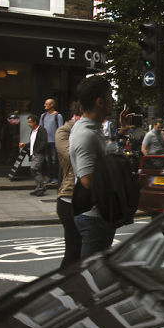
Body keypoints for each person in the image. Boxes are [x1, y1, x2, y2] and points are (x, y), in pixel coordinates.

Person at [70, 76, 117, 259]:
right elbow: (87, 180)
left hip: (99, 216)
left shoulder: (93, 128)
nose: (112, 100)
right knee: (91, 275)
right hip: (94, 218)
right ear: (99, 101)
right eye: (110, 96)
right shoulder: (85, 134)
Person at [56, 102, 82, 268]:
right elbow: (74, 158)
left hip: (88, 200)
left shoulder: (94, 131)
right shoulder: (64, 131)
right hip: (69, 197)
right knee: (73, 253)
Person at [19, 114, 48, 196]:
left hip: (39, 154)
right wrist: (24, 145)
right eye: (28, 122)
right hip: (33, 154)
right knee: (34, 170)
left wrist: (37, 151)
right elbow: (32, 143)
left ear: (35, 122)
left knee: (34, 168)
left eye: (30, 122)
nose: (28, 124)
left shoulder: (41, 130)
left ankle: (41, 187)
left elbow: (43, 142)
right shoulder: (32, 131)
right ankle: (39, 187)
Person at [39, 98, 63, 186]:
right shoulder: (43, 116)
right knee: (47, 160)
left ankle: (55, 177)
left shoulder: (58, 116)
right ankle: (48, 176)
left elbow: (60, 129)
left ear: (52, 105)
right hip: (46, 141)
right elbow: (40, 128)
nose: (44, 105)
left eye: (46, 104)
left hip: (54, 141)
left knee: (54, 160)